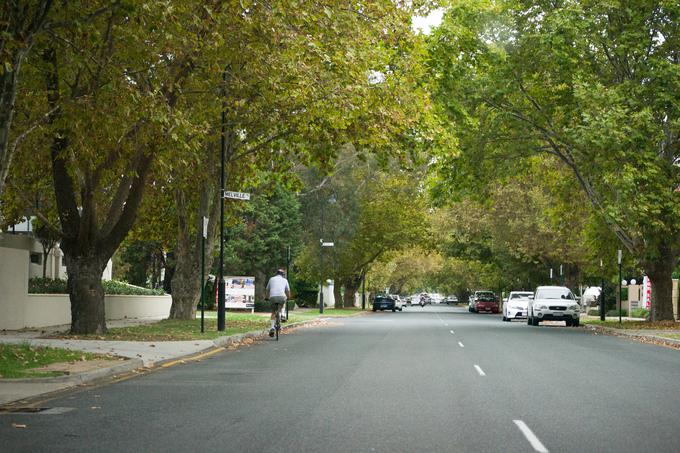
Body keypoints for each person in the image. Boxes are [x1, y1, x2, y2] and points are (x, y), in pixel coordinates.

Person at [265, 268, 291, 337]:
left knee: (273, 312)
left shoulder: (271, 279)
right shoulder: (285, 280)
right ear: (283, 275)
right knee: (283, 303)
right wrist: (288, 297)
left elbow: (267, 290)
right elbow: (288, 291)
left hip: (273, 297)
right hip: (281, 297)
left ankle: (272, 328)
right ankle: (283, 315)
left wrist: (266, 297)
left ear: (277, 273)